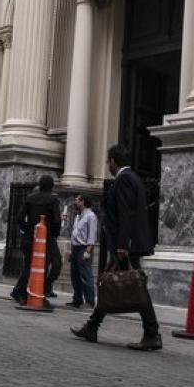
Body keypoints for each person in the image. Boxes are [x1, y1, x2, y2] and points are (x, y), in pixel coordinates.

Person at [71, 145, 161, 351]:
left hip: (125, 245)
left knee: (135, 286)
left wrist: (122, 244)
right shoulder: (133, 178)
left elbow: (126, 213)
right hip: (125, 244)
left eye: (108, 161)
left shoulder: (125, 179)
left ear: (113, 161)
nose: (107, 165)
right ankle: (92, 326)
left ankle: (152, 333)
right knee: (110, 282)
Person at [11, 175, 62, 305]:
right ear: (51, 186)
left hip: (30, 235)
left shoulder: (30, 198)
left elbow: (19, 218)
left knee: (29, 265)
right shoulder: (53, 199)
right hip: (47, 236)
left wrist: (28, 229)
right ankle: (39, 292)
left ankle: (20, 291)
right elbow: (57, 220)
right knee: (49, 264)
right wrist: (55, 234)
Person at [67, 195, 98, 309]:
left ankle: (89, 301)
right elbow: (74, 233)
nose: (75, 202)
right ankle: (77, 299)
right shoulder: (78, 216)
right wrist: (71, 249)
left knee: (85, 275)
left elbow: (92, 234)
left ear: (83, 202)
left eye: (77, 200)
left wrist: (88, 250)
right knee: (74, 275)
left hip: (84, 248)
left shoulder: (91, 216)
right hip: (76, 247)